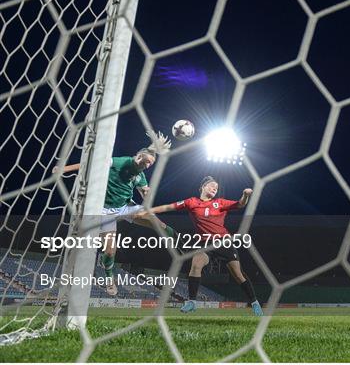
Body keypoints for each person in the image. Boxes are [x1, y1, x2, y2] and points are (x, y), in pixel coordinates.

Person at [53, 131, 178, 296]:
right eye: (147, 163)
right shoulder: (119, 162)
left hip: (126, 207)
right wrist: (64, 169)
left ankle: (176, 239)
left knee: (156, 221)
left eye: (150, 165)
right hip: (106, 210)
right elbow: (90, 164)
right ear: (139, 157)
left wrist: (146, 194)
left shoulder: (140, 175)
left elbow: (143, 192)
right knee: (110, 251)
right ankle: (109, 279)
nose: (148, 167)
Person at [142, 176, 263, 316]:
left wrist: (245, 195)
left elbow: (240, 204)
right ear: (203, 187)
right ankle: (191, 302)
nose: (215, 189)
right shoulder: (192, 202)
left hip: (223, 242)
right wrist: (150, 210)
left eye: (216, 188)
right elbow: (169, 206)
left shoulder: (220, 202)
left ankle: (254, 302)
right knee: (196, 265)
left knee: (238, 274)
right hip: (204, 243)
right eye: (212, 186)